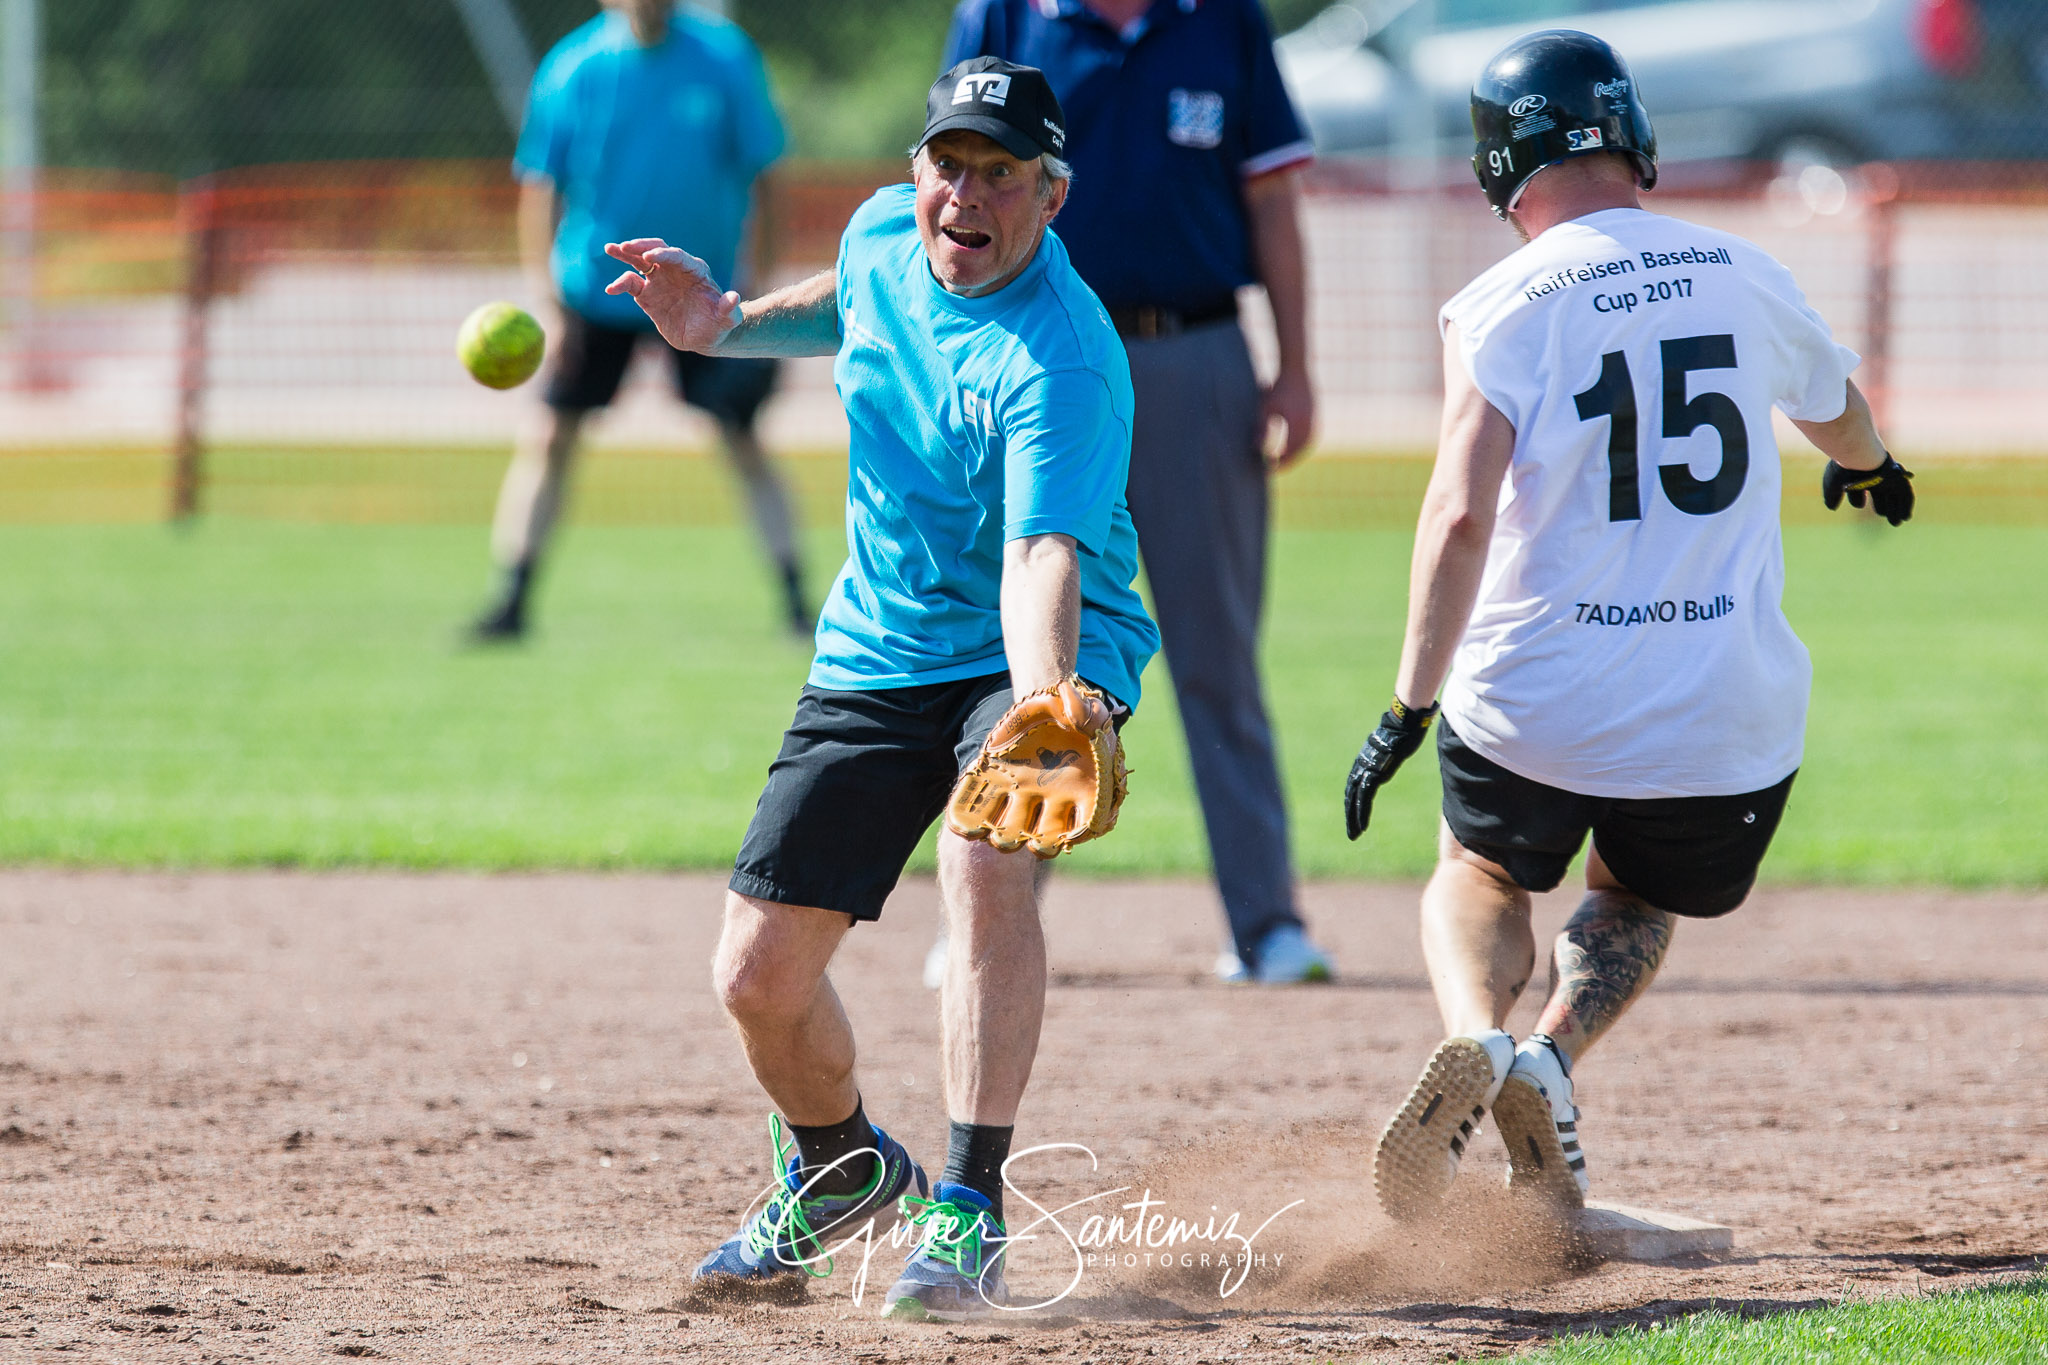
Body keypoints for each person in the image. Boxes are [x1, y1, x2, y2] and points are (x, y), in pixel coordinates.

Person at [606, 59, 1158, 1318]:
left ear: (1050, 196)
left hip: (1032, 647)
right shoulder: (877, 233)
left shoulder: (1059, 361)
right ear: (915, 172)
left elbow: (1039, 557)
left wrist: (1039, 713)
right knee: (755, 979)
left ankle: (967, 1207)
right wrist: (729, 323)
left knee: (985, 857)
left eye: (1000, 174)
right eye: (946, 164)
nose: (964, 195)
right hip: (876, 644)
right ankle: (842, 1162)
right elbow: (856, 297)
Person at [1345, 30, 1915, 1222]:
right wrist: (1867, 468)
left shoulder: (1500, 300)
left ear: (1499, 165)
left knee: (1483, 867)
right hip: (1716, 707)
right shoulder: (1738, 267)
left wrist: (1405, 705)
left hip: (1536, 696)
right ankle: (1549, 1059)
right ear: (1630, 136)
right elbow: (1839, 412)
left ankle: (1475, 1039)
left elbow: (1457, 513)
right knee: (1634, 896)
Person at [942, 0, 1333, 983]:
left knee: (1218, 659)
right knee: (1025, 654)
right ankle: (991, 919)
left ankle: (1266, 925)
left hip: (1191, 353)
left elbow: (1272, 203)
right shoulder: (1001, 16)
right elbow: (949, 195)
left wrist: (1292, 367)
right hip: (1039, 362)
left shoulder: (1224, 22)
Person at [472, 0, 809, 641]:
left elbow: (767, 176)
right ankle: (510, 602)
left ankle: (797, 602)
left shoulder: (724, 58)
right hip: (594, 292)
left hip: (698, 290)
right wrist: (550, 303)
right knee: (549, 436)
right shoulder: (572, 67)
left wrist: (756, 290)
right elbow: (541, 190)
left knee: (744, 439)